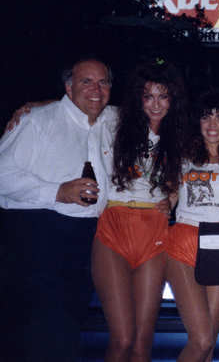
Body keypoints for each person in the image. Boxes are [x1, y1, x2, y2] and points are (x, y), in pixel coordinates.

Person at [0, 58, 116, 361]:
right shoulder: (38, 121)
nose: (96, 89)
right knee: (50, 330)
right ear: (69, 87)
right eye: (86, 82)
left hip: (85, 238)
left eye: (103, 82)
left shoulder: (111, 121)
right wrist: (57, 191)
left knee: (70, 320)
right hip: (39, 233)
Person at [92, 60, 188, 361]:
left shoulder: (180, 137)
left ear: (172, 99)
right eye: (149, 96)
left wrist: (171, 200)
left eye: (163, 96)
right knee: (121, 339)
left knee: (142, 343)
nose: (156, 104)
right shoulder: (113, 120)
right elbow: (77, 109)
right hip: (113, 226)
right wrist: (32, 105)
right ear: (139, 98)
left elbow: (184, 178)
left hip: (154, 230)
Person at [167, 89, 219, 362]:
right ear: (197, 122)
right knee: (201, 339)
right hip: (184, 241)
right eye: (206, 117)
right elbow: (168, 195)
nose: (212, 125)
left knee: (208, 344)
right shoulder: (181, 156)